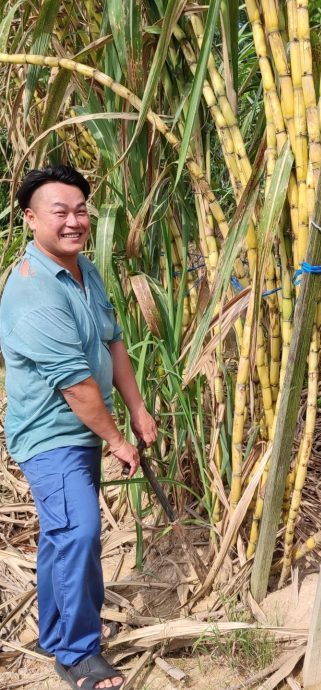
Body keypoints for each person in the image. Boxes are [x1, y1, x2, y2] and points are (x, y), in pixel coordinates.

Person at [0, 166, 157, 689]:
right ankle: (77, 655)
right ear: (30, 219)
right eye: (59, 212)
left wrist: (136, 409)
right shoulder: (32, 292)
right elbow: (76, 386)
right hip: (51, 435)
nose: (74, 221)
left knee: (62, 535)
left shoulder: (84, 270)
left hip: (84, 427)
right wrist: (117, 440)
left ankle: (55, 631)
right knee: (80, 531)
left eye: (80, 210)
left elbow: (113, 342)